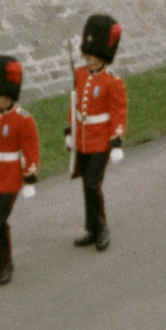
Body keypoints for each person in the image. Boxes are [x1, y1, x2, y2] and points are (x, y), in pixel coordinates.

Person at [0, 55, 40, 286]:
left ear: (9, 94)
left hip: (10, 177)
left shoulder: (24, 119)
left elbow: (31, 150)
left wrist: (30, 178)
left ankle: (6, 263)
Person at [67, 14, 127, 252]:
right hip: (83, 139)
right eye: (86, 53)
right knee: (86, 185)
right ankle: (91, 229)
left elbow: (118, 113)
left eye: (92, 53)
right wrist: (69, 131)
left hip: (102, 140)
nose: (87, 57)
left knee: (93, 184)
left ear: (103, 55)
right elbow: (74, 105)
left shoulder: (112, 82)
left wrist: (116, 142)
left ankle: (102, 228)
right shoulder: (80, 74)